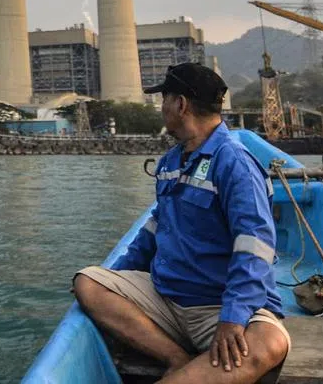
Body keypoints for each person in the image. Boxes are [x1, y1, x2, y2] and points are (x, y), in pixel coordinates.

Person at [72, 63, 291, 383]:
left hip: (218, 305)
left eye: (164, 99)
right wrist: (115, 280)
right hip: (168, 298)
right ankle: (177, 358)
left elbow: (254, 245)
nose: (162, 108)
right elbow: (154, 229)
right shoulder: (172, 162)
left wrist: (232, 317)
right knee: (88, 283)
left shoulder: (234, 163)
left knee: (269, 344)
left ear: (181, 104)